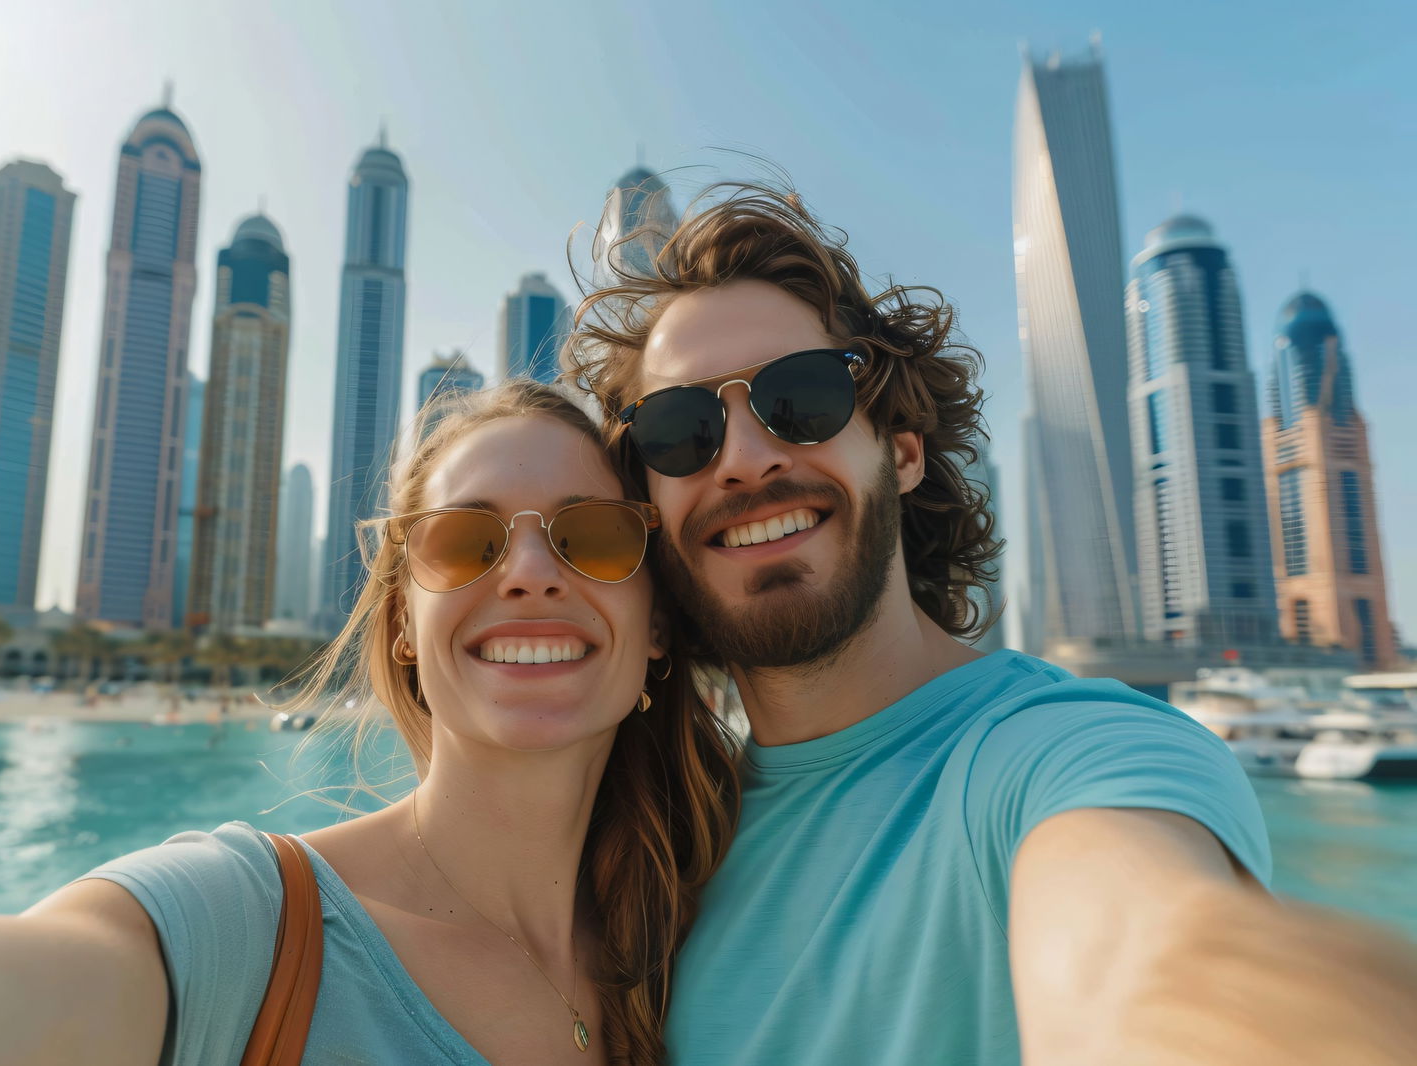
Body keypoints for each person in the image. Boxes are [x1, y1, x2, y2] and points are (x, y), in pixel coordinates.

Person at [567, 183, 1417, 1065]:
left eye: (803, 399)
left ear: (901, 453)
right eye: (680, 429)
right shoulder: (664, 838)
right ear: (650, 507)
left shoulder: (1063, 754)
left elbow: (1153, 954)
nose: (745, 461)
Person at [0, 382, 739, 1066]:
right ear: (403, 626)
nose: (532, 570)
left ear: (657, 622)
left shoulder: (698, 940)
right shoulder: (239, 926)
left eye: (596, 535)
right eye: (466, 540)